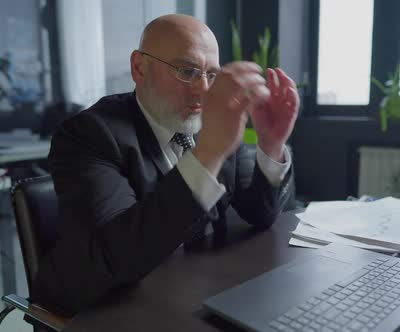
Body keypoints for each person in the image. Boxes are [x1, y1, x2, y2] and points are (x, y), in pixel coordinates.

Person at [33, 14, 299, 313]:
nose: (203, 91)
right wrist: (209, 151)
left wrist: (271, 144)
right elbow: (117, 256)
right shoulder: (90, 134)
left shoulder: (208, 122)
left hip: (194, 287)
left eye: (212, 75)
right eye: (187, 71)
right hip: (110, 307)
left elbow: (258, 212)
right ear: (139, 68)